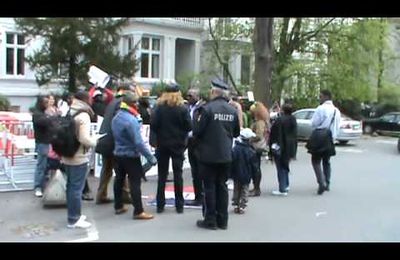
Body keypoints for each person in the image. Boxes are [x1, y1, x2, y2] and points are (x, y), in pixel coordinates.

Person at [193, 79, 240, 230]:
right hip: (226, 155)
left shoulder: (207, 109)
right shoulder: (232, 110)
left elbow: (197, 131)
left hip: (208, 155)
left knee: (209, 187)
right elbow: (236, 132)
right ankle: (223, 220)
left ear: (214, 92)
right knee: (222, 186)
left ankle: (210, 219)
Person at [112, 91, 157, 220]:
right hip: (130, 155)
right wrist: (150, 157)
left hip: (118, 153)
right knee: (135, 183)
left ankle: (118, 205)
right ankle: (138, 211)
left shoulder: (117, 117)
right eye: (136, 102)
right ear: (131, 104)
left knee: (119, 180)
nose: (137, 104)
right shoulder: (131, 120)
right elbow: (138, 142)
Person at [150, 83, 192, 214]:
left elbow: (154, 125)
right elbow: (189, 126)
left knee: (162, 175)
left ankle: (160, 204)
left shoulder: (159, 107)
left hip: (162, 144)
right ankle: (179, 205)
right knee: (178, 175)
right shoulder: (182, 108)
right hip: (178, 144)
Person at [62, 91, 97, 229]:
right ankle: (74, 218)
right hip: (78, 156)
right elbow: (84, 139)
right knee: (76, 189)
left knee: (71, 187)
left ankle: (73, 214)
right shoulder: (84, 115)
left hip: (67, 153)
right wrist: (94, 140)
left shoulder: (70, 111)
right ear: (87, 99)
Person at [95, 84, 134, 204]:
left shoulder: (112, 102)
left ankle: (101, 194)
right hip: (114, 142)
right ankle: (125, 195)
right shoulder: (121, 104)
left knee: (107, 170)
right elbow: (120, 122)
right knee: (121, 169)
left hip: (105, 140)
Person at [309, 90, 341, 195]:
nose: (320, 98)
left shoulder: (321, 109)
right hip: (330, 139)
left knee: (315, 161)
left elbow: (313, 123)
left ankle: (321, 181)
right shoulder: (336, 111)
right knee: (326, 161)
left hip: (319, 139)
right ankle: (327, 182)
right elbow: (337, 127)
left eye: (321, 96)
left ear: (326, 97)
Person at [269, 103, 297, 196]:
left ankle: (282, 188)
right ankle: (286, 184)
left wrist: (272, 147)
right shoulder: (293, 119)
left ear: (282, 110)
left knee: (280, 167)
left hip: (281, 145)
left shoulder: (279, 120)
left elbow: (274, 134)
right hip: (290, 146)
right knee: (285, 165)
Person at [185, 88, 206, 207]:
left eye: (191, 96)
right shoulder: (187, 108)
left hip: (198, 141)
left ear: (197, 96)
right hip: (189, 141)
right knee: (194, 171)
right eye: (187, 96)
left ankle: (202, 195)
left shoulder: (203, 108)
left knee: (200, 170)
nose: (188, 98)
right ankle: (197, 195)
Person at [231, 128, 258, 214]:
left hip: (236, 173)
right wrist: (255, 175)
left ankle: (235, 204)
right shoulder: (250, 151)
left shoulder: (235, 149)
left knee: (236, 189)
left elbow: (231, 161)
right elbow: (254, 165)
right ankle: (242, 205)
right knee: (244, 190)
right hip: (247, 174)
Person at [32, 95, 53, 197]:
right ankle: (38, 186)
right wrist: (50, 117)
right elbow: (46, 123)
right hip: (42, 143)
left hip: (47, 142)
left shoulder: (43, 113)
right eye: (45, 102)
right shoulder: (37, 114)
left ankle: (43, 185)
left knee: (46, 165)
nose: (47, 104)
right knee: (41, 165)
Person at [248, 101, 270, 197]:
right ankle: (256, 188)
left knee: (255, 168)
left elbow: (259, 136)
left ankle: (256, 188)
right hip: (258, 147)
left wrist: (249, 138)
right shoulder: (260, 121)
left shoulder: (259, 122)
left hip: (256, 147)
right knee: (256, 167)